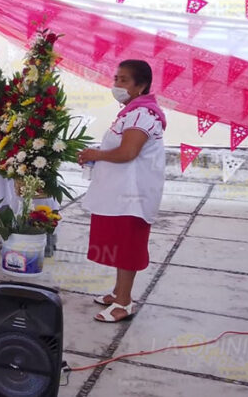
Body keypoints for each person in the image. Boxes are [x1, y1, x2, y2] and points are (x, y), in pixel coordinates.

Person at [78, 59, 166, 323]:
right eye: (116, 78)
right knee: (117, 244)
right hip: (117, 194)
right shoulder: (131, 112)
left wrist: (97, 154)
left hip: (132, 197)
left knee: (127, 247)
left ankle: (124, 304)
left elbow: (128, 152)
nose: (117, 84)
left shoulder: (143, 115)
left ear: (141, 85)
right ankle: (118, 292)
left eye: (124, 80)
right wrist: (95, 157)